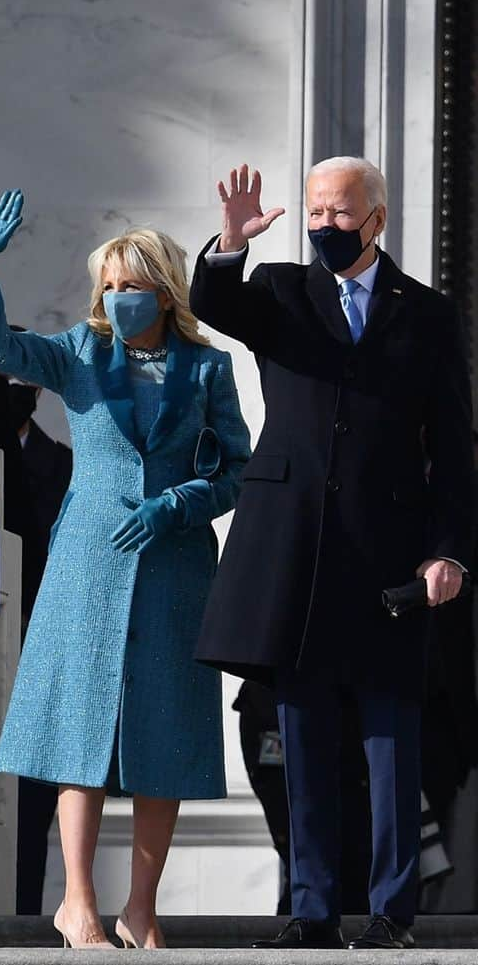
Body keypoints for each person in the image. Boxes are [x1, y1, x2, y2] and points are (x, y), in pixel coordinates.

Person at [191, 158, 474, 951]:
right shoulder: (283, 293)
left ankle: (391, 911)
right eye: (315, 210)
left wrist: (449, 550)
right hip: (297, 555)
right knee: (304, 733)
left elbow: (454, 451)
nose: (323, 225)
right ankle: (312, 908)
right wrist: (228, 242)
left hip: (389, 555)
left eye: (339, 213)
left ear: (376, 219)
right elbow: (212, 302)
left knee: (391, 739)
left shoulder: (427, 316)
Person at [0, 190, 251, 950]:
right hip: (90, 557)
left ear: (165, 288)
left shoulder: (207, 367)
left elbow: (236, 470)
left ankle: (141, 907)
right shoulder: (82, 353)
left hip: (175, 565)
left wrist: (180, 502)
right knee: (77, 726)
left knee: (168, 732)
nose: (118, 298)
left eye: (132, 284)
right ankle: (78, 900)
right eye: (109, 285)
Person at [0, 344, 73, 915]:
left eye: (16, 381)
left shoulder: (61, 464)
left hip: (40, 632)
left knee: (33, 791)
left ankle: (26, 911)